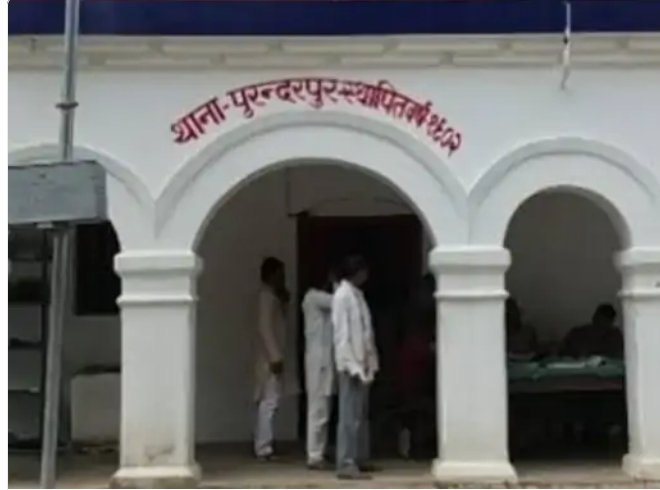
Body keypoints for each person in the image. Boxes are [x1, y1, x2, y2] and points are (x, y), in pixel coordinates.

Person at [332, 255, 379, 480]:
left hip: (362, 362)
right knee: (348, 417)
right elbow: (342, 336)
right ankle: (346, 462)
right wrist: (353, 366)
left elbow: (365, 332)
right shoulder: (342, 296)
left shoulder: (357, 295)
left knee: (360, 416)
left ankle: (359, 457)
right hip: (350, 364)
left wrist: (370, 362)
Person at [253, 257, 293, 461]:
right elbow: (265, 328)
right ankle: (263, 446)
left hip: (272, 355)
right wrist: (275, 357)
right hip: (269, 358)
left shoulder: (273, 296)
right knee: (269, 401)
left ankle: (265, 443)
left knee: (270, 401)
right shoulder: (266, 297)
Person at [301, 267, 338, 470]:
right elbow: (338, 301)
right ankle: (314, 455)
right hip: (319, 360)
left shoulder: (316, 298)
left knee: (324, 407)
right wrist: (337, 284)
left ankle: (319, 451)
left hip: (323, 359)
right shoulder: (314, 297)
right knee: (318, 408)